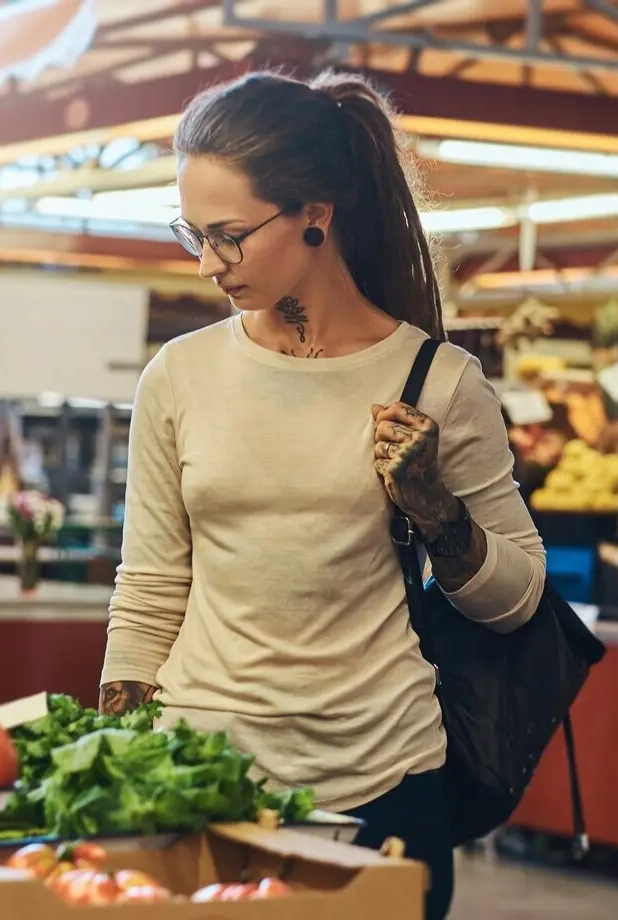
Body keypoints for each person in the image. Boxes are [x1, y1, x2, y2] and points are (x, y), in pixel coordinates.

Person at [98, 71, 546, 920]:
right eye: (192, 234)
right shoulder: (181, 376)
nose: (205, 265)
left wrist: (434, 509)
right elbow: (151, 586)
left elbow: (519, 599)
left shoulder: (438, 384)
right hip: (202, 778)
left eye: (228, 236)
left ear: (316, 213)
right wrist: (116, 752)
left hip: (384, 784)